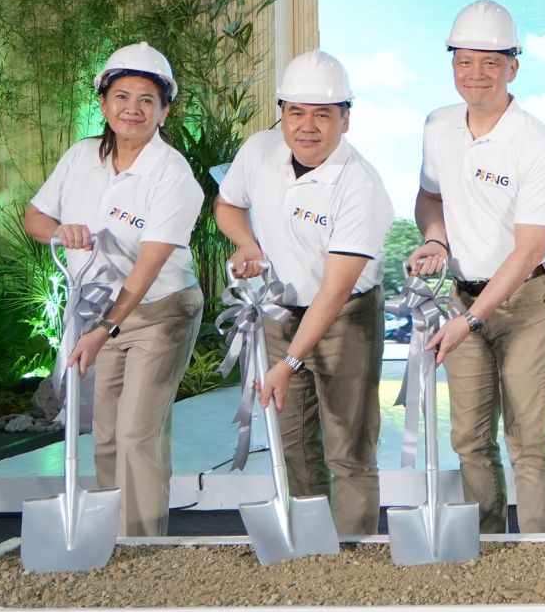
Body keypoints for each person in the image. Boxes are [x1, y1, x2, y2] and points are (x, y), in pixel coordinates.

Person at [24, 43, 205, 537]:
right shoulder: (81, 156)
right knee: (103, 432)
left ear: (164, 110)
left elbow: (148, 269)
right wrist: (62, 232)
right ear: (103, 102)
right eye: (121, 95)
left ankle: (143, 547)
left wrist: (104, 328)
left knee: (135, 432)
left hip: (160, 310)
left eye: (147, 99)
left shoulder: (173, 176)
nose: (133, 108)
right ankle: (110, 539)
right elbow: (36, 217)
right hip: (100, 311)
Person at [408, 0, 545, 534]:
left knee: (526, 436)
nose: (475, 74)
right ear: (452, 65)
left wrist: (471, 319)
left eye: (490, 62)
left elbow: (528, 250)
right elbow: (429, 198)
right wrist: (435, 239)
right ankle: (489, 549)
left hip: (524, 300)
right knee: (469, 438)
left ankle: (539, 551)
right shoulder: (439, 126)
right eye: (464, 62)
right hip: (461, 294)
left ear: (513, 67)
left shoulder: (537, 143)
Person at [216, 50, 391, 536]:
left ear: (345, 120)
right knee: (291, 439)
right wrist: (247, 242)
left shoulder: (360, 186)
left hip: (344, 317)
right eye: (295, 112)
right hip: (278, 311)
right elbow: (227, 204)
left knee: (347, 445)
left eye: (322, 114)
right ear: (282, 114)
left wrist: (288, 362)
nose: (306, 126)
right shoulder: (259, 150)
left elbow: (334, 291)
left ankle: (353, 552)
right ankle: (315, 547)